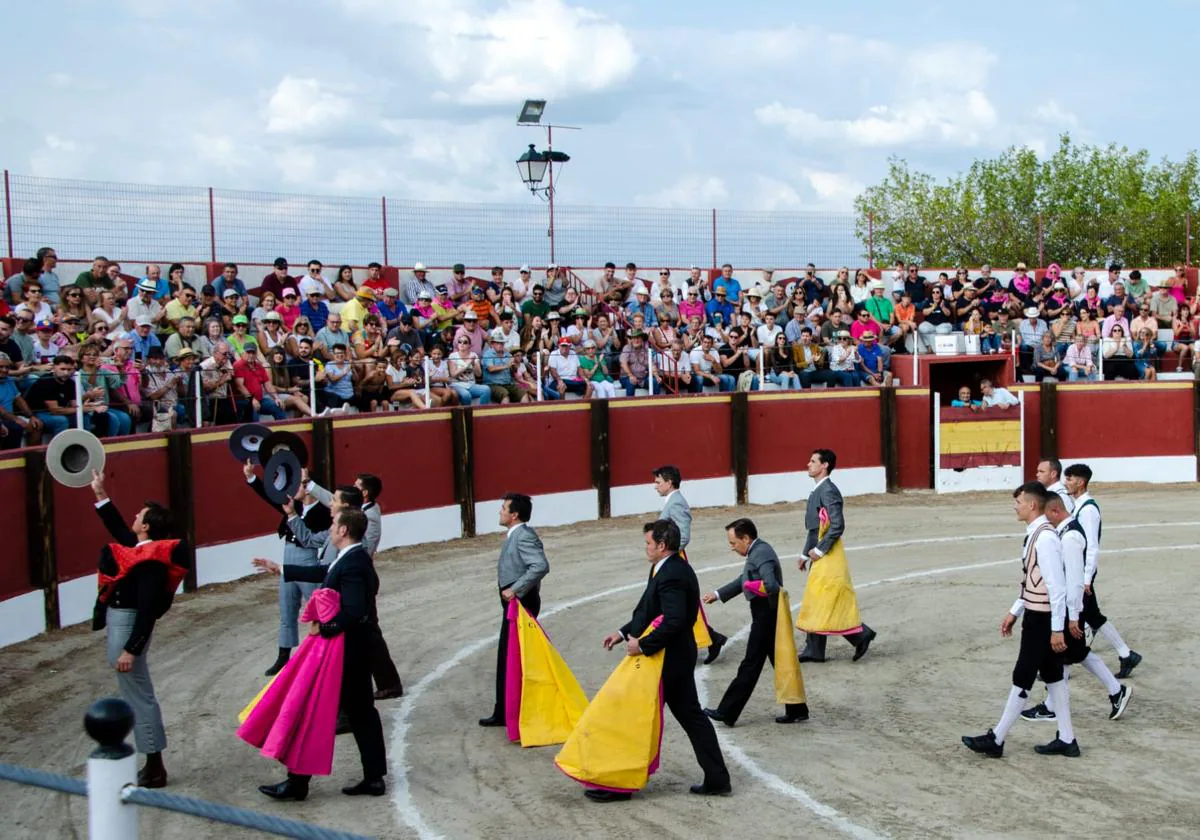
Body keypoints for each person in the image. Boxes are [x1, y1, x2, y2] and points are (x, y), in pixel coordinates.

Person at [590, 520, 731, 802]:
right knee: (691, 716)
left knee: (634, 715)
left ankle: (622, 783)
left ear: (662, 545)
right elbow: (651, 612)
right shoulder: (667, 568)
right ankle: (717, 778)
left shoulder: (672, 574)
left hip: (667, 658)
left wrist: (642, 645)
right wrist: (622, 633)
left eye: (648, 543)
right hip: (675, 656)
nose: (646, 548)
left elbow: (675, 619)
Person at [253, 508, 388, 800]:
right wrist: (282, 569)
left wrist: (325, 628)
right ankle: (373, 778)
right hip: (353, 651)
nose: (330, 528)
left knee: (312, 710)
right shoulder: (353, 558)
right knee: (361, 713)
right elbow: (323, 572)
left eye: (333, 524)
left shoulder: (352, 563)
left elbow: (353, 611)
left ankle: (298, 783)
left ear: (343, 531)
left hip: (343, 654)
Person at [962, 482, 1080, 758]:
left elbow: (1057, 587)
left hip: (1042, 620)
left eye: (1018, 502)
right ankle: (1067, 738)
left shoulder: (1045, 538)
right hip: (1038, 615)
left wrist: (1055, 630)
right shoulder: (1038, 535)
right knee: (1053, 676)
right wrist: (1015, 610)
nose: (1015, 507)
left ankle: (998, 738)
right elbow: (1033, 582)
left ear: (1032, 505)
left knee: (1023, 675)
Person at [89, 469, 190, 788]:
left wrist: (132, 648)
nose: (134, 516)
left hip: (128, 625)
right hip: (124, 622)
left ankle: (154, 767)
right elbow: (119, 528)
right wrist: (100, 493)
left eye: (139, 515)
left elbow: (147, 610)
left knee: (139, 695)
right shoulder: (145, 550)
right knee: (136, 693)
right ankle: (152, 763)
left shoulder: (151, 561)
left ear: (146, 527)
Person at [1021, 494, 1132, 724]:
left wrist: (1073, 617)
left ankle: (1057, 705)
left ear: (1054, 512)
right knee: (1072, 654)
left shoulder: (1070, 536)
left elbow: (1073, 580)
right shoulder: (1067, 531)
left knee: (1066, 654)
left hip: (1072, 607)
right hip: (1072, 606)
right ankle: (1112, 691)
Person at [301, 470, 403, 700]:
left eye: (336, 501)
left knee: (367, 639)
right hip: (352, 579)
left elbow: (363, 552)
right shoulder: (353, 518)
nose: (332, 502)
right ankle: (388, 684)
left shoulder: (366, 520)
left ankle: (384, 686)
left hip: (356, 582)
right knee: (370, 639)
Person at [703, 518, 809, 726]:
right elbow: (744, 579)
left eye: (734, 543)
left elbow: (771, 585)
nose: (732, 548)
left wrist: (753, 587)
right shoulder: (758, 551)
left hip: (766, 615)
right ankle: (797, 709)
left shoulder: (761, 553)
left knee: (750, 664)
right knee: (781, 663)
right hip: (767, 613)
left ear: (746, 538)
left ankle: (727, 711)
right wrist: (718, 594)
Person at [243, 459, 331, 676]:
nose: (293, 489)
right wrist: (252, 478)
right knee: (286, 610)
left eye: (299, 485)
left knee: (319, 611)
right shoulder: (295, 505)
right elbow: (270, 497)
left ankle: (323, 654)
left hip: (308, 560)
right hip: (288, 557)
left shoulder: (323, 510)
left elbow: (311, 539)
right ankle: (283, 657)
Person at [795, 449, 877, 662]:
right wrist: (805, 555)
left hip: (829, 555)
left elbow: (836, 525)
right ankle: (815, 649)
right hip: (821, 553)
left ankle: (860, 635)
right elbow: (815, 529)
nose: (808, 464)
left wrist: (819, 550)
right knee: (819, 598)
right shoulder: (818, 491)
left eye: (813, 461)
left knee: (826, 599)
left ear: (825, 466)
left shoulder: (828, 491)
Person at [1064, 463, 1142, 679]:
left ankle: (1063, 667)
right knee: (1092, 616)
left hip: (1082, 574)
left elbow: (1091, 547)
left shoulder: (1087, 509)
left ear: (1080, 482)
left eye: (1069, 479)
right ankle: (1126, 654)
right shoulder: (1079, 506)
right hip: (1080, 572)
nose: (1066, 482)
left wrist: (1086, 579)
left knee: (1074, 618)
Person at [480, 493, 550, 728]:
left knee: (511, 658)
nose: (500, 512)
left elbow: (540, 565)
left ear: (514, 515)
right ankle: (507, 710)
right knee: (511, 657)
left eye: (503, 508)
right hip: (518, 602)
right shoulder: (518, 535)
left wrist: (516, 590)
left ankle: (508, 712)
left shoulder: (523, 537)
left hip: (521, 603)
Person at [653, 465, 727, 663]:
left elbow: (683, 535)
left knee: (676, 603)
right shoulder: (673, 501)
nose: (655, 486)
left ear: (669, 483)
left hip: (673, 558)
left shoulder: (676, 503)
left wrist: (668, 554)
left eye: (658, 482)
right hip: (670, 556)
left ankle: (711, 639)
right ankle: (711, 638)